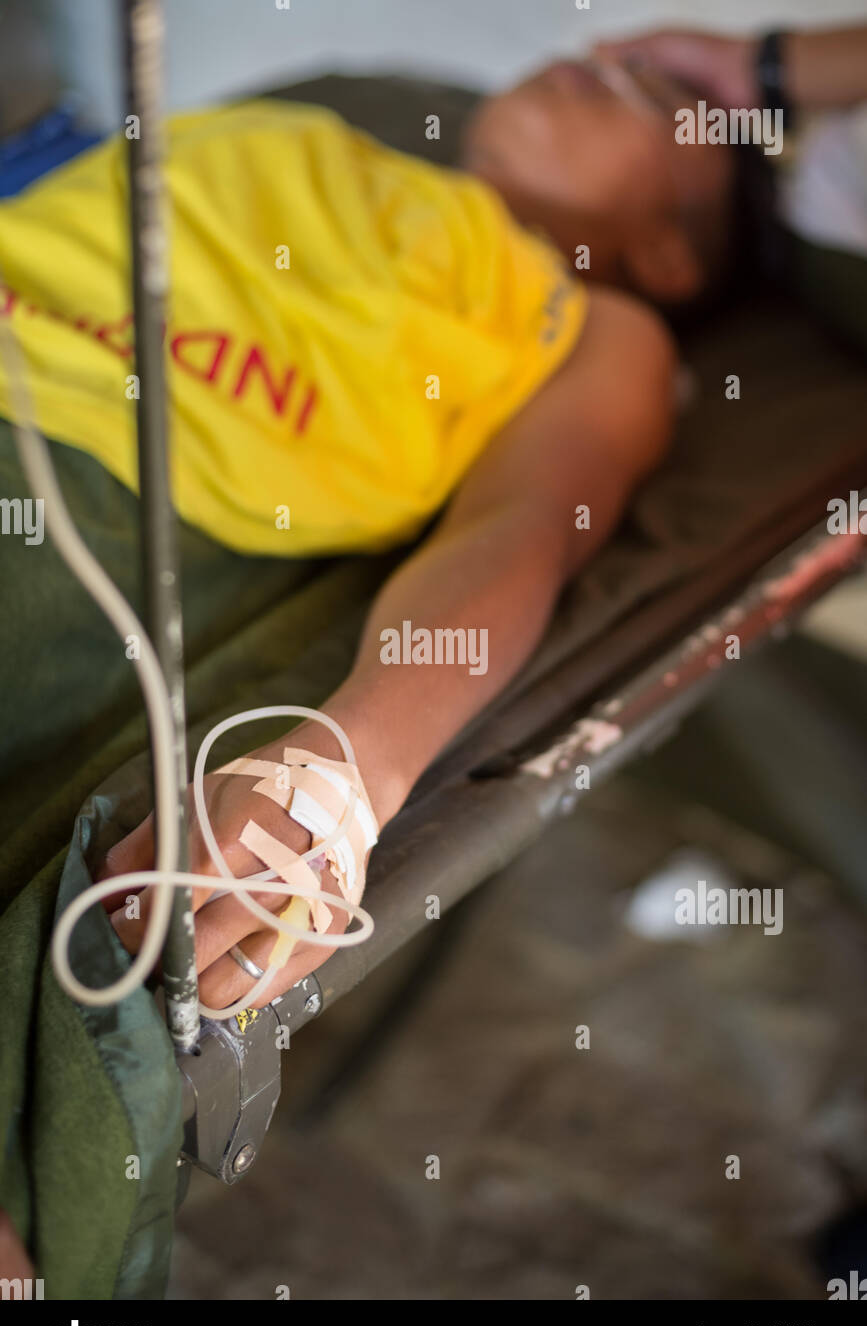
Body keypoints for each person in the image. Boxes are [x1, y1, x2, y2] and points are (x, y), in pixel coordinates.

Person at [0, 56, 738, 1016]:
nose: (605, 60)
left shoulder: (597, 325)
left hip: (75, 490)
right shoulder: (305, 135)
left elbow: (524, 530)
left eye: (666, 103)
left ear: (668, 251)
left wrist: (340, 777)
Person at [594, 24, 867, 353]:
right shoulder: (836, 191)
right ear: (664, 259)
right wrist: (762, 65)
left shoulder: (819, 173)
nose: (604, 66)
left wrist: (754, 65)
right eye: (658, 103)